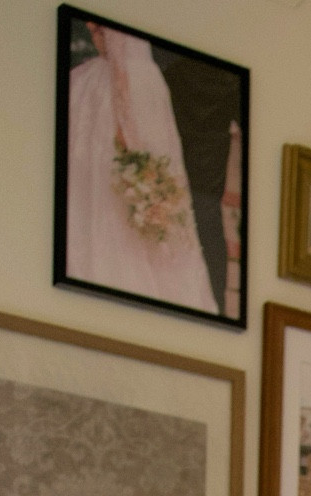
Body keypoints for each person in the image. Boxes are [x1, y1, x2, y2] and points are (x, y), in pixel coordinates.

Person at [65, 22, 217, 315]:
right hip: (131, 82)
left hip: (133, 85)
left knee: (134, 175)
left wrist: (129, 135)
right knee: (116, 181)